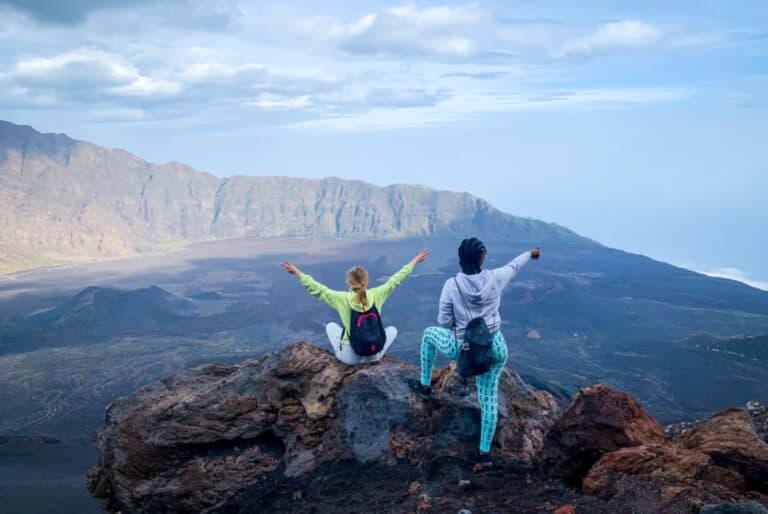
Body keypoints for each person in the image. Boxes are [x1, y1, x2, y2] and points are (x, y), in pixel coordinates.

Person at [411, 238, 540, 467]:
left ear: (461, 259)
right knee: (488, 398)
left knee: (429, 335)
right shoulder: (495, 277)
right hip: (495, 347)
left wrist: (460, 324)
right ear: (482, 258)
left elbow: (443, 321)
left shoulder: (452, 285)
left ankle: (425, 385)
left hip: (464, 348)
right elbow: (514, 266)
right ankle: (484, 454)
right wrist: (530, 253)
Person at [281, 249, 430, 365]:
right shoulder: (377, 294)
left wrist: (298, 273)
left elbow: (318, 289)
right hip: (374, 355)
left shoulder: (342, 298)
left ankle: (346, 350)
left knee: (331, 326)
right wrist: (414, 262)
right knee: (393, 330)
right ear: (366, 281)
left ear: (349, 282)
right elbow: (395, 280)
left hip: (350, 357)